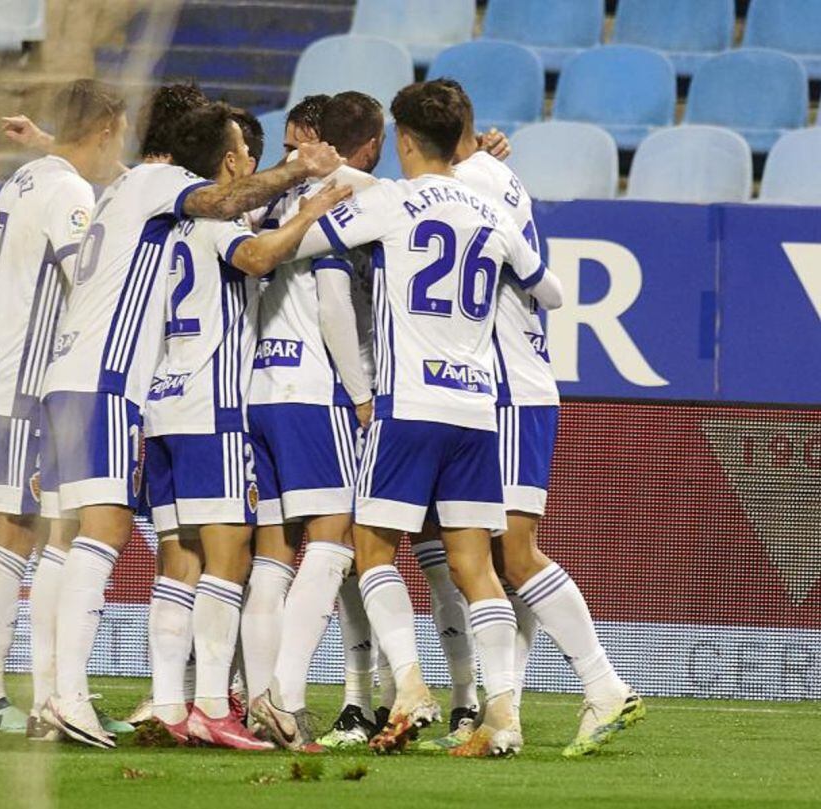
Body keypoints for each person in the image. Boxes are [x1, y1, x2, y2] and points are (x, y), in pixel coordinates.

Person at [37, 80, 344, 748]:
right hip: (122, 381)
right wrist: (308, 180)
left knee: (113, 542)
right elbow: (239, 223)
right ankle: (89, 695)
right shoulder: (173, 191)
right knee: (136, 537)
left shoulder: (123, 191)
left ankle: (150, 702)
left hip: (113, 384)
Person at [291, 80, 565, 757]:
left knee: (371, 546)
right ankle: (501, 714)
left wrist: (326, 184)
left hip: (408, 402)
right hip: (477, 410)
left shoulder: (388, 201)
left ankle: (410, 685)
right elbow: (550, 289)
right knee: (477, 565)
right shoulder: (489, 205)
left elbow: (304, 244)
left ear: (405, 143)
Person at [429, 77, 644, 758]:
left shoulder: (470, 182)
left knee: (514, 553)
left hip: (510, 387)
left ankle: (603, 683)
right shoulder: (494, 172)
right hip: (503, 384)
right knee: (495, 556)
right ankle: (505, 714)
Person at [143, 102, 352, 750]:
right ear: (229, 162)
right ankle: (212, 704)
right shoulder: (214, 220)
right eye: (241, 150)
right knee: (229, 560)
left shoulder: (163, 223)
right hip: (212, 404)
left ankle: (168, 702)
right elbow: (259, 256)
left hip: (161, 400)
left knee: (179, 561)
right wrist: (311, 214)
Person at [0, 80, 126, 735]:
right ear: (108, 127)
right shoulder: (71, 193)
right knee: (47, 532)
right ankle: (35, 696)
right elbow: (87, 280)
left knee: (17, 533)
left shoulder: (25, 180)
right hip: (31, 386)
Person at [242, 91, 382, 752]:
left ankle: (255, 698)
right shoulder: (322, 199)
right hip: (310, 390)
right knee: (335, 542)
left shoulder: (263, 200)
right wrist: (359, 393)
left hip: (257, 390)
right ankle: (288, 697)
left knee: (272, 557)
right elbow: (332, 304)